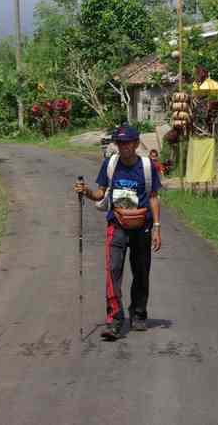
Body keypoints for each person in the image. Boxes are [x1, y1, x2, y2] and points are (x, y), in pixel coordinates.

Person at [74, 125, 162, 341]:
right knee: (113, 270)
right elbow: (100, 194)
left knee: (141, 272)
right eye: (120, 143)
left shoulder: (147, 166)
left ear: (136, 143)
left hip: (142, 227)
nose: (123, 147)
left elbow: (153, 197)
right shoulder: (111, 164)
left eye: (127, 143)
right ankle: (114, 319)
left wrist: (157, 227)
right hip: (117, 225)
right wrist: (86, 192)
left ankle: (139, 314)